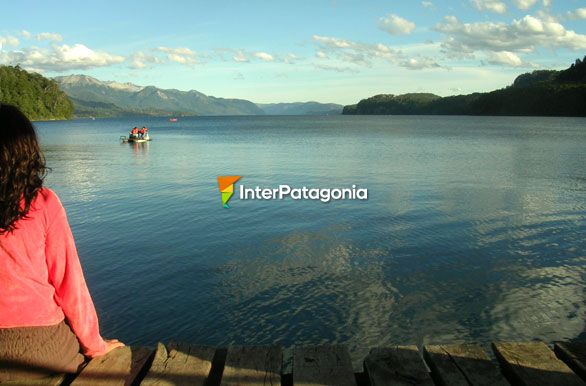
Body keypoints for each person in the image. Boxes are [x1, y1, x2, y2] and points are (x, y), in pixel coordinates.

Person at [0, 104, 124, 381]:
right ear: (27, 152)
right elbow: (70, 283)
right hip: (38, 346)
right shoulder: (42, 203)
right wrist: (95, 345)